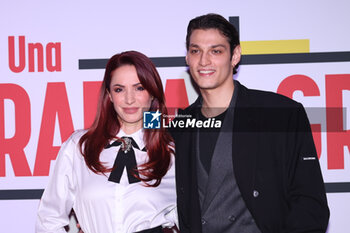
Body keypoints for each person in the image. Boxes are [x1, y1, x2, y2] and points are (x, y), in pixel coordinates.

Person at [172, 13, 330, 233]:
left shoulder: (281, 114)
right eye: (195, 50)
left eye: (215, 51)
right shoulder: (179, 125)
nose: (204, 61)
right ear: (187, 57)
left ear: (235, 55)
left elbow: (310, 204)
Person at [36, 51, 177, 233]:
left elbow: (193, 219)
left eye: (139, 88)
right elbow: (49, 218)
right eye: (119, 89)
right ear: (109, 95)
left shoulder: (172, 151)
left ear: (152, 94)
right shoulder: (79, 147)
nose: (129, 99)